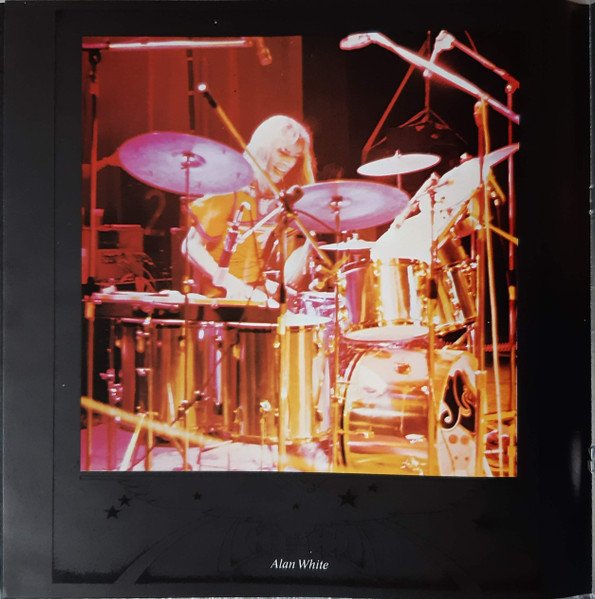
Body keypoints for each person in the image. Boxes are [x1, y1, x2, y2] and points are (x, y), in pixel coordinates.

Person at [182, 115, 316, 302]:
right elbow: (191, 245)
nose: (289, 162)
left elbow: (269, 264)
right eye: (284, 152)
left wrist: (275, 284)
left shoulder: (282, 197)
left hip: (254, 295)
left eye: (296, 157)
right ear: (263, 148)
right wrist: (231, 283)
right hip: (217, 299)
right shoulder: (231, 186)